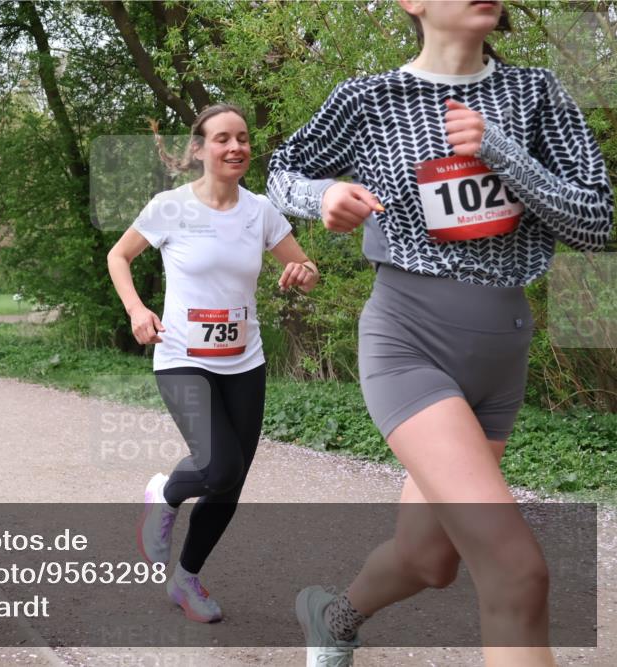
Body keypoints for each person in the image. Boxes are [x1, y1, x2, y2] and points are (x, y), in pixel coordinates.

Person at [266, 1, 613, 665]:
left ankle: (334, 617)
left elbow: (595, 220)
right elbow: (283, 171)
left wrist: (498, 149)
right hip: (409, 341)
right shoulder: (371, 97)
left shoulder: (535, 93)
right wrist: (323, 197)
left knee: (430, 559)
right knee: (516, 571)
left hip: (501, 351)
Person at [108, 103, 320, 623]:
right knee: (218, 466)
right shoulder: (170, 207)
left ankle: (186, 580)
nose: (236, 148)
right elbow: (119, 256)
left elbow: (303, 265)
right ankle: (165, 492)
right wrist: (137, 310)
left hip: (244, 361)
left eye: (243, 138)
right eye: (222, 138)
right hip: (182, 356)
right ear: (199, 149)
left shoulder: (260, 211)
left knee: (231, 482)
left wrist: (304, 272)